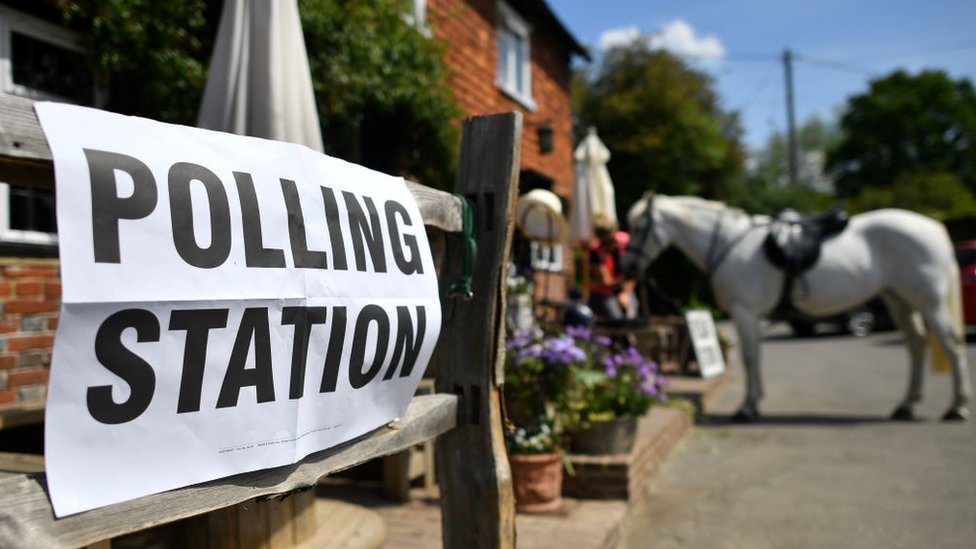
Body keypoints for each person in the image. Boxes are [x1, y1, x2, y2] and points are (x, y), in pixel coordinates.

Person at [588, 218, 638, 322]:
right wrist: (624, 280)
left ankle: (630, 335)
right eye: (605, 242)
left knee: (631, 316)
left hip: (625, 288)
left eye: (611, 240)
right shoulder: (595, 251)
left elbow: (636, 270)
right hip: (603, 293)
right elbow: (606, 282)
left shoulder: (626, 241)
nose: (610, 245)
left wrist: (625, 293)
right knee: (616, 318)